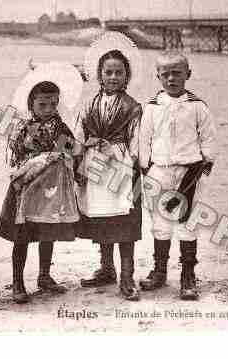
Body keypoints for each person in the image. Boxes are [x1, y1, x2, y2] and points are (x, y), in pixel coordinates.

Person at [0, 63, 83, 304]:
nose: (48, 109)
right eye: (42, 104)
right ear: (31, 103)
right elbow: (15, 159)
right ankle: (17, 281)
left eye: (53, 103)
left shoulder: (62, 127)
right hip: (28, 186)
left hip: (52, 189)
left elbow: (71, 151)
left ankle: (44, 275)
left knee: (48, 232)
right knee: (22, 235)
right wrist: (41, 159)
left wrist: (69, 156)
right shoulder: (23, 128)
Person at [138, 51, 216, 300]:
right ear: (158, 77)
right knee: (160, 223)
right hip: (159, 171)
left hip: (189, 172)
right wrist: (146, 167)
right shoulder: (151, 107)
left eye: (177, 73)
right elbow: (144, 138)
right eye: (166, 74)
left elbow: (209, 139)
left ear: (188, 74)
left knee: (187, 223)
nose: (171, 78)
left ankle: (188, 274)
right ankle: (159, 270)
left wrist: (204, 166)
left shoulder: (197, 106)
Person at [75, 33, 143, 301]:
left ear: (126, 77)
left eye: (118, 72)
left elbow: (139, 144)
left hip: (122, 170)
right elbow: (76, 137)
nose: (113, 77)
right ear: (99, 76)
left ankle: (127, 277)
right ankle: (106, 268)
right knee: (102, 220)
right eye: (108, 72)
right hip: (96, 168)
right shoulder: (88, 105)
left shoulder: (133, 108)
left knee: (126, 223)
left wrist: (115, 150)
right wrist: (83, 150)